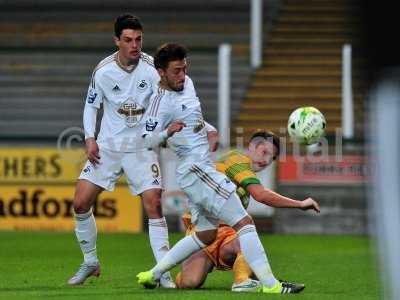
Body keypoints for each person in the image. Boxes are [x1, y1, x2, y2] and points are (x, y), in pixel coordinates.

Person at [136, 43, 319, 294]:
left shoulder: (187, 84)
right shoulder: (159, 104)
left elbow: (193, 116)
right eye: (176, 71)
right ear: (161, 72)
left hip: (199, 170)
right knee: (245, 222)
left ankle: (152, 273)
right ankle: (271, 285)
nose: (182, 75)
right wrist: (167, 132)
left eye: (184, 68)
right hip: (196, 169)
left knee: (205, 234)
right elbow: (145, 141)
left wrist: (209, 130)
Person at [68, 14, 178, 287]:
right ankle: (90, 261)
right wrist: (90, 138)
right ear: (117, 40)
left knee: (153, 204)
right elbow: (91, 106)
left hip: (141, 148)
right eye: (128, 40)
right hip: (108, 147)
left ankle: (163, 271)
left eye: (138, 39)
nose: (135, 45)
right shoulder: (103, 71)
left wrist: (162, 132)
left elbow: (169, 101)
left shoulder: (153, 69)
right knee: (80, 203)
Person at [175, 131, 320, 292]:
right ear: (251, 147)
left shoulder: (241, 174)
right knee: (189, 283)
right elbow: (261, 195)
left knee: (245, 235)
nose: (266, 160)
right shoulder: (237, 160)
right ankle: (266, 282)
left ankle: (244, 282)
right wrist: (300, 204)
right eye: (264, 152)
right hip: (203, 230)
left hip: (224, 234)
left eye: (272, 158)